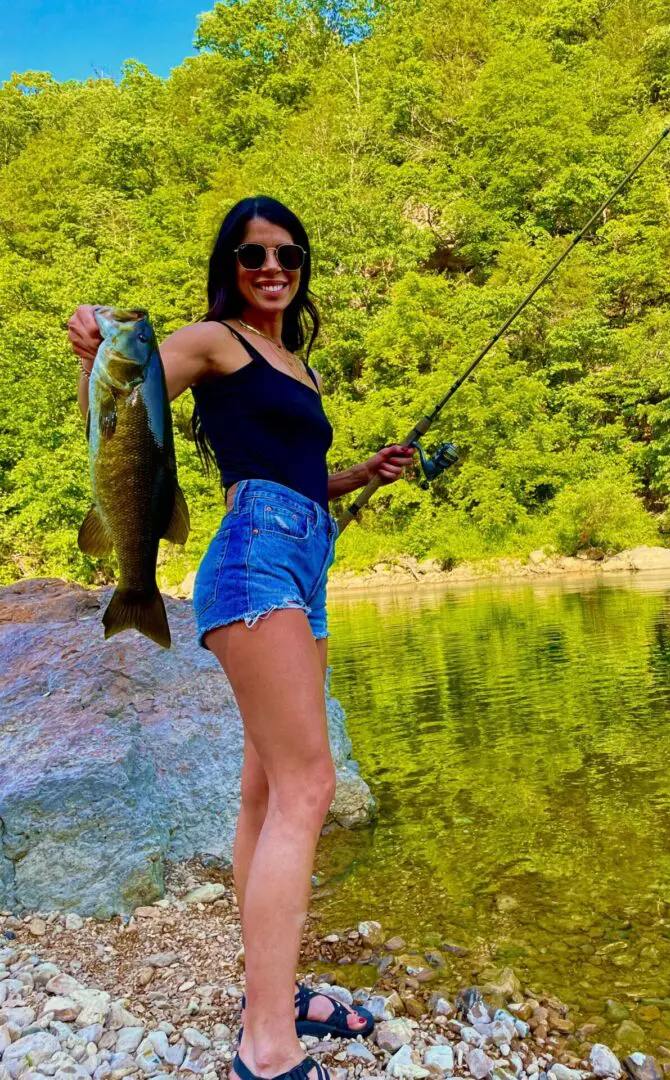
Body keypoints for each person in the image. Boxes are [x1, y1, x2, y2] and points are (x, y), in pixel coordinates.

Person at [68, 195, 414, 1080]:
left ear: (301, 267)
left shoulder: (296, 363)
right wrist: (93, 350)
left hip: (307, 556)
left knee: (266, 791)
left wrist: (357, 475)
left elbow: (291, 471)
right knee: (310, 783)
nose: (272, 268)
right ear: (232, 263)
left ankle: (278, 991)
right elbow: (118, 417)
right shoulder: (210, 338)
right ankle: (265, 1044)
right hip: (254, 556)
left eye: (288, 255)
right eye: (254, 254)